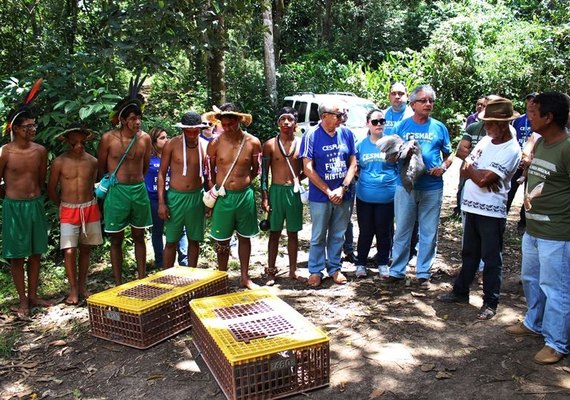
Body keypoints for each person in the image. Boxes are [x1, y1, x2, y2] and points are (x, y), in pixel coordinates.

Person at [438, 98, 522, 320]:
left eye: (491, 123)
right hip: (471, 205)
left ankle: (490, 302)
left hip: (492, 210)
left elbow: (484, 179)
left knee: (491, 257)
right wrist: (478, 172)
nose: (486, 126)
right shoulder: (486, 140)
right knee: (469, 252)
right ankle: (461, 291)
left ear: (503, 125)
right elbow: (466, 166)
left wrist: (476, 172)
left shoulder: (511, 148)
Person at [506, 92, 570, 365]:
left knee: (556, 288)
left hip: (557, 234)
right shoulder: (542, 142)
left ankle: (556, 343)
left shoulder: (567, 147)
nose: (528, 118)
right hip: (532, 229)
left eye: (533, 113)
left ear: (549, 117)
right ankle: (535, 322)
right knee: (531, 279)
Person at [385, 85, 453, 290]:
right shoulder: (401, 127)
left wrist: (443, 167)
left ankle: (423, 272)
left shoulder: (439, 127)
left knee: (428, 231)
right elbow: (389, 158)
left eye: (430, 100)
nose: (428, 104)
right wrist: (402, 153)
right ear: (413, 104)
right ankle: (397, 271)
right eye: (423, 100)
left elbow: (449, 155)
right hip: (406, 186)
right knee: (403, 229)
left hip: (432, 187)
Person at [0, 79, 53, 317]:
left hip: (35, 205)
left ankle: (33, 295)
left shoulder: (40, 151)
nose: (32, 130)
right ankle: (22, 300)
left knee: (35, 253)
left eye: (34, 126)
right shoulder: (5, 152)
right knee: (17, 256)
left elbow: (41, 179)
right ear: (15, 128)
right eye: (27, 126)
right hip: (14, 207)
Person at [97, 74, 152, 285]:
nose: (137, 122)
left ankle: (141, 277)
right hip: (117, 192)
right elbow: (102, 166)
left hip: (138, 190)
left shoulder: (145, 139)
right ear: (121, 119)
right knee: (116, 238)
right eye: (132, 118)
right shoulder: (108, 139)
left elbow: (145, 165)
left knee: (139, 235)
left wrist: (135, 179)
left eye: (139, 118)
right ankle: (118, 282)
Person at [300, 99, 357, 287]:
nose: (342, 118)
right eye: (338, 115)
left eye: (343, 114)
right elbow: (307, 168)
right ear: (324, 116)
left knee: (338, 233)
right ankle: (315, 270)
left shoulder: (347, 133)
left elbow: (353, 164)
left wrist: (343, 188)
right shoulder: (312, 135)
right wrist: (328, 190)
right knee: (318, 234)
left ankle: (334, 268)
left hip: (344, 194)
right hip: (319, 196)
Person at [205, 103, 262, 289]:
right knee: (222, 240)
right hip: (223, 196)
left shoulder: (253, 142)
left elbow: (256, 170)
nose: (227, 128)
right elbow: (209, 172)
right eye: (224, 124)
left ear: (239, 120)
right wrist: (214, 191)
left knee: (245, 237)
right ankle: (222, 277)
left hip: (244, 196)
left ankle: (245, 277)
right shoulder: (214, 144)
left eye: (231, 124)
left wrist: (243, 182)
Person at [47, 123, 103, 305]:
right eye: (74, 144)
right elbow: (51, 189)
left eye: (82, 143)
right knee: (69, 250)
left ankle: (82, 286)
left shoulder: (93, 162)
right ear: (67, 142)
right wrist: (62, 205)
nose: (78, 146)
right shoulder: (59, 162)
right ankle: (72, 289)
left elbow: (97, 183)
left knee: (86, 248)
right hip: (69, 209)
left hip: (90, 207)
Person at [261, 107, 307, 286]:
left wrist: (298, 180)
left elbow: (307, 168)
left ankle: (293, 270)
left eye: (290, 119)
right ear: (278, 123)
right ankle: (271, 271)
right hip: (276, 191)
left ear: (295, 123)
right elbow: (264, 174)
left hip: (293, 192)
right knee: (274, 232)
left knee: (293, 233)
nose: (286, 123)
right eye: (283, 119)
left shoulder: (302, 144)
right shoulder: (270, 145)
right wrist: (265, 197)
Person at [158, 112, 208, 269]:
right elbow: (161, 173)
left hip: (197, 197)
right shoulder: (172, 144)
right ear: (183, 130)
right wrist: (162, 203)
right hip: (176, 197)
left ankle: (191, 276)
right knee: (171, 240)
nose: (192, 134)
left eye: (195, 131)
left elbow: (209, 175)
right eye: (189, 131)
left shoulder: (206, 145)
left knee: (194, 239)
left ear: (200, 129)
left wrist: (210, 200)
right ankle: (166, 278)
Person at [354, 109, 397, 279]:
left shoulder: (391, 143)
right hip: (365, 196)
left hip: (387, 196)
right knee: (365, 231)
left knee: (384, 231)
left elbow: (398, 166)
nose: (379, 124)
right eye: (375, 122)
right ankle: (361, 264)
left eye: (382, 121)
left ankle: (382, 263)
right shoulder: (361, 145)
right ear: (367, 124)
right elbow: (355, 168)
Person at [144, 127, 188, 268]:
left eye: (166, 137)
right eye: (162, 138)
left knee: (180, 229)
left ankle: (184, 260)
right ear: (153, 141)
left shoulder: (172, 156)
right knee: (157, 231)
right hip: (154, 199)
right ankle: (160, 262)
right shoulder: (147, 159)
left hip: (173, 197)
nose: (166, 140)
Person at [507, 92, 539, 233]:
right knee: (509, 191)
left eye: (535, 101)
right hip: (517, 161)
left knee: (529, 194)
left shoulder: (541, 120)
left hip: (533, 163)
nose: (532, 103)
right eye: (529, 100)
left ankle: (523, 223)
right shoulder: (518, 120)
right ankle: (501, 217)